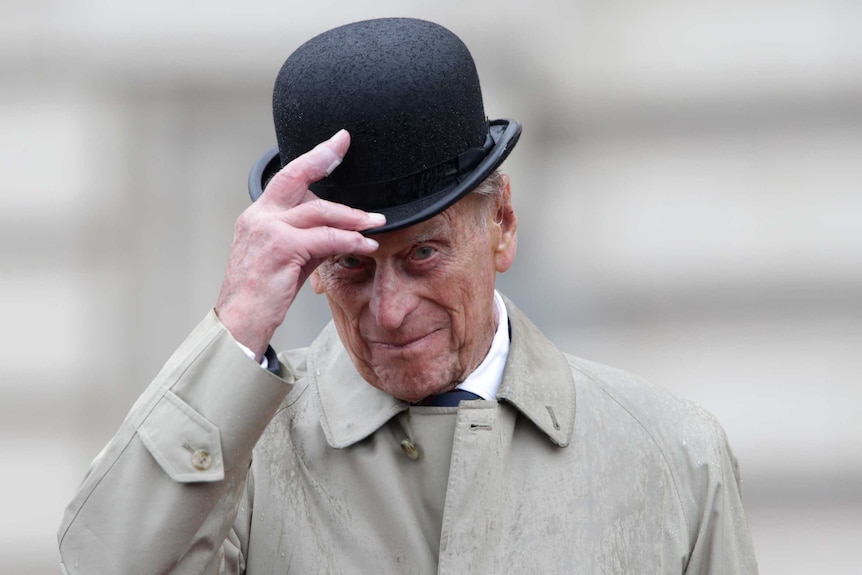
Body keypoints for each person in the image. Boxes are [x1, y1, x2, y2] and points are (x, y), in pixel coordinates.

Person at [57, 17, 758, 574]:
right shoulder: (242, 459)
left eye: (423, 253)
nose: (388, 310)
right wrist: (237, 323)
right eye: (351, 266)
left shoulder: (673, 457)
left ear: (502, 225)